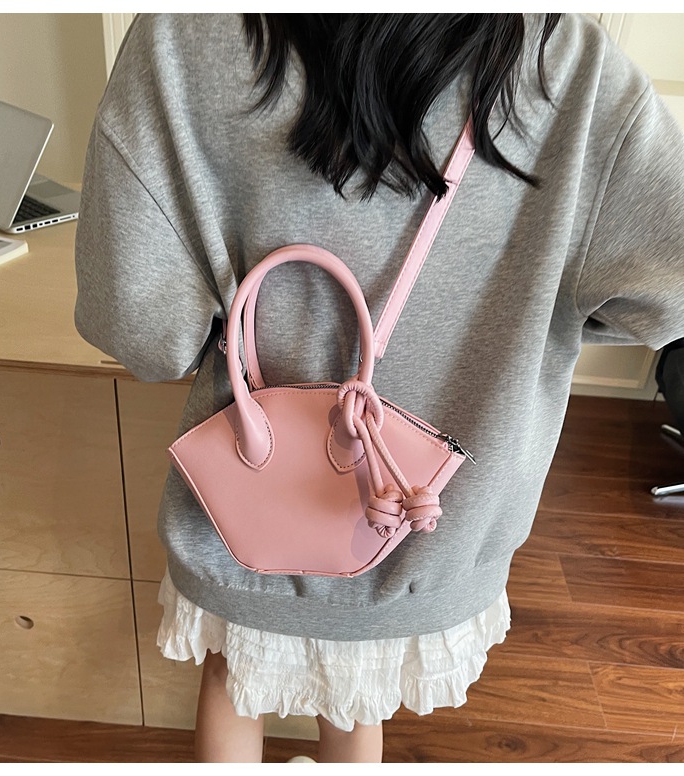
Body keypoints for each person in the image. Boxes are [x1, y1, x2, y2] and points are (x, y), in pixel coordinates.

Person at [74, 14, 684, 763]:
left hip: (245, 512)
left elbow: (144, 333)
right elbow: (668, 293)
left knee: (232, 677)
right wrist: (526, 321)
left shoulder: (184, 35)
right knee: (357, 697)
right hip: (427, 541)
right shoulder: (566, 63)